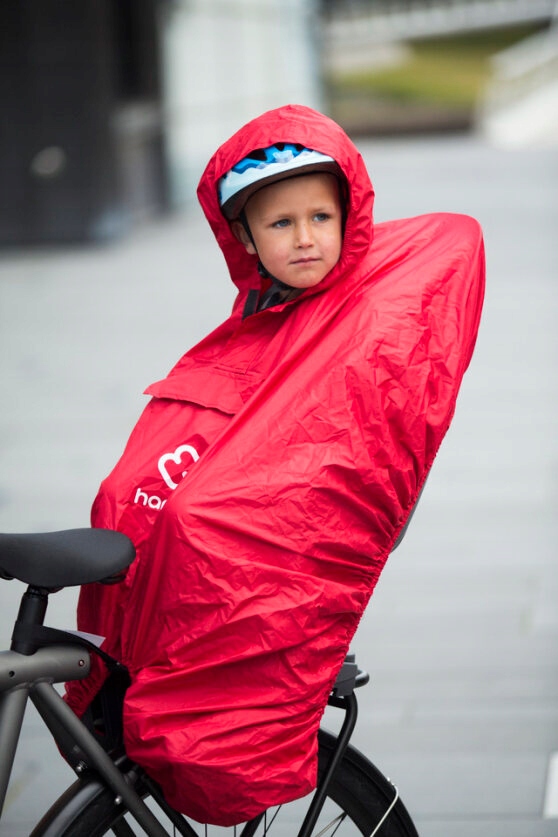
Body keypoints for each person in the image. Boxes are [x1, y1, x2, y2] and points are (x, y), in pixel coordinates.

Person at [66, 104, 485, 826]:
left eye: (321, 218)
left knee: (199, 523)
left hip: (269, 521)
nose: (304, 239)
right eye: (281, 224)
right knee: (125, 500)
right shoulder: (257, 322)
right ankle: (132, 681)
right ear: (245, 238)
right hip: (210, 501)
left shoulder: (360, 309)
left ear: (349, 216)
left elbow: (452, 239)